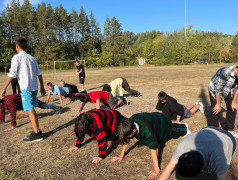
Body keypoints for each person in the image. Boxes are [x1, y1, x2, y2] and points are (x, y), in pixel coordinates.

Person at [111, 112, 189, 179]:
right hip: (153, 119)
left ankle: (184, 127)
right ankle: (177, 125)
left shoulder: (147, 130)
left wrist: (156, 169)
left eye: (128, 136)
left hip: (163, 121)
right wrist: (121, 156)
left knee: (172, 132)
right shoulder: (129, 123)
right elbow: (126, 139)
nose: (127, 138)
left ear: (134, 131)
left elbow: (153, 147)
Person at [1, 37, 46, 142]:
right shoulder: (32, 58)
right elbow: (39, 73)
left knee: (30, 110)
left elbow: (12, 74)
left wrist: (4, 88)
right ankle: (37, 131)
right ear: (26, 47)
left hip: (26, 88)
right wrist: (42, 86)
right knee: (32, 110)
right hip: (34, 87)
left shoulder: (17, 57)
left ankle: (37, 134)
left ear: (17, 46)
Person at [158, 127, 236, 180]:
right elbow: (169, 168)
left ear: (202, 170)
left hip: (228, 138)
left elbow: (223, 178)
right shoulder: (182, 146)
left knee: (219, 170)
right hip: (208, 129)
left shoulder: (219, 156)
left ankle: (233, 134)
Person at [208, 66, 238, 138]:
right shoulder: (226, 72)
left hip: (228, 89)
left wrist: (233, 102)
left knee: (232, 108)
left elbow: (237, 89)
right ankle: (214, 133)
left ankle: (230, 130)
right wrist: (218, 104)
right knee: (216, 110)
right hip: (215, 88)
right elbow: (218, 90)